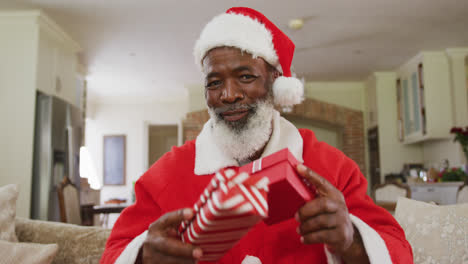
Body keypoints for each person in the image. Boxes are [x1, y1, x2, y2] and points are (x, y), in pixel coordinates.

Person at [101, 7, 413, 264]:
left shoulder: (331, 167)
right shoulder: (165, 175)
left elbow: (397, 251)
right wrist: (143, 257)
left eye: (245, 77)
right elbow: (114, 254)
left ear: (275, 83)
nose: (228, 94)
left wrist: (351, 240)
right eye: (213, 82)